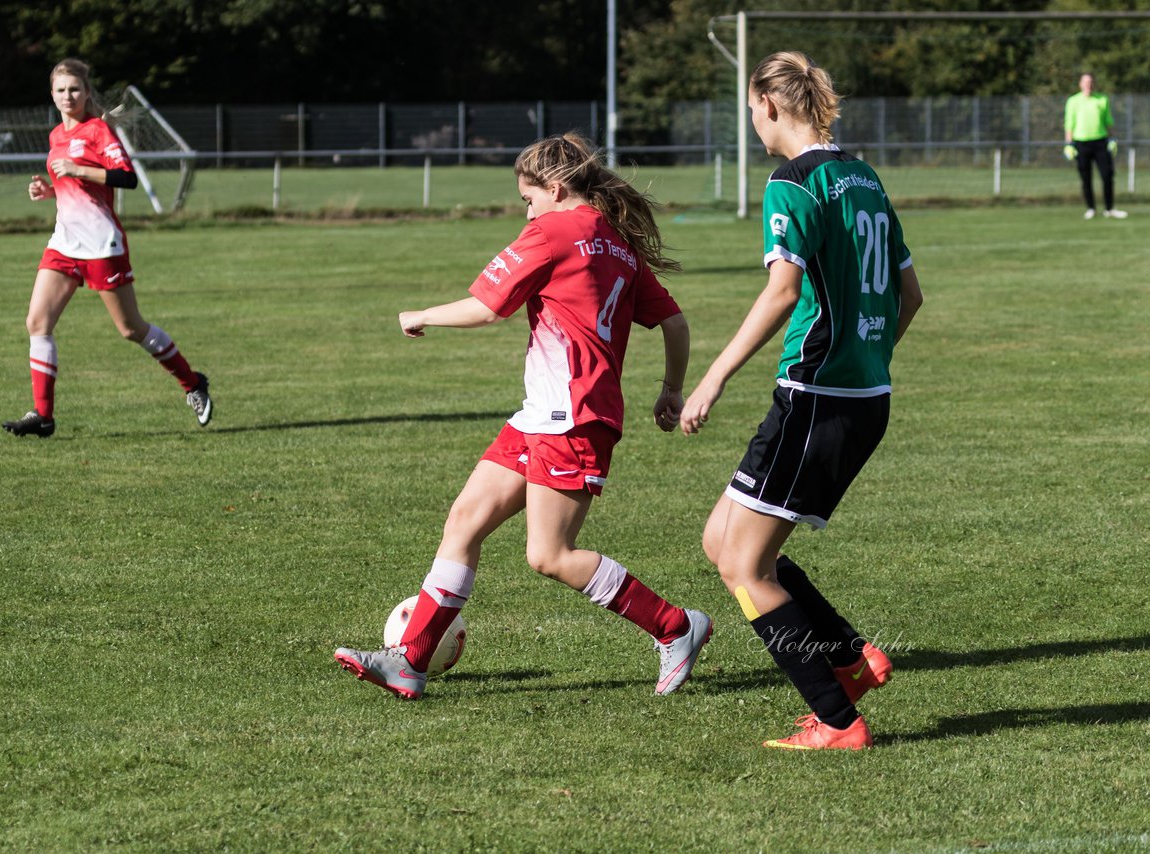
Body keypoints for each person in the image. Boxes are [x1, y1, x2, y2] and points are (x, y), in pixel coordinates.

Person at [335, 133, 712, 700]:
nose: (526, 210)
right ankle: (410, 662)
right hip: (545, 413)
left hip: (573, 417)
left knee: (550, 554)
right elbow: (676, 324)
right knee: (465, 520)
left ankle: (676, 626)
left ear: (554, 189)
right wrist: (671, 391)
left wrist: (421, 315)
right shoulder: (615, 243)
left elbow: (489, 307)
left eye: (527, 198)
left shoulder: (552, 230)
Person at [679, 52, 924, 750]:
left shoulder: (793, 183)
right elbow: (910, 296)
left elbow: (783, 290)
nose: (751, 122)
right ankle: (850, 659)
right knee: (720, 540)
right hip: (856, 394)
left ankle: (838, 719)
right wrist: (868, 361)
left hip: (817, 398)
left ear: (769, 106)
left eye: (750, 108)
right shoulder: (863, 176)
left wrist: (713, 376)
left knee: (745, 567)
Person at [2, 58, 212, 438]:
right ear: (52, 95)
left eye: (75, 89)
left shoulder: (97, 131)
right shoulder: (55, 136)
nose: (68, 96)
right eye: (61, 90)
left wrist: (79, 169)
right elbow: (73, 188)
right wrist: (48, 189)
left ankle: (193, 383)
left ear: (86, 93)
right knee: (37, 323)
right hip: (64, 243)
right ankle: (43, 415)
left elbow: (126, 178)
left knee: (131, 329)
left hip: (101, 246)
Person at [1063, 72, 1127, 220]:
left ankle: (1109, 208)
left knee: (1107, 175)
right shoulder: (1073, 101)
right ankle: (1091, 208)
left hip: (1100, 142)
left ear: (1094, 83)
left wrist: (1112, 139)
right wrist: (1068, 144)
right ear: (1080, 84)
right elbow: (1069, 123)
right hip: (1081, 143)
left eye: (1090, 82)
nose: (1088, 85)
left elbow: (1108, 121)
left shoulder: (1102, 99)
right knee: (1086, 178)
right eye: (1085, 82)